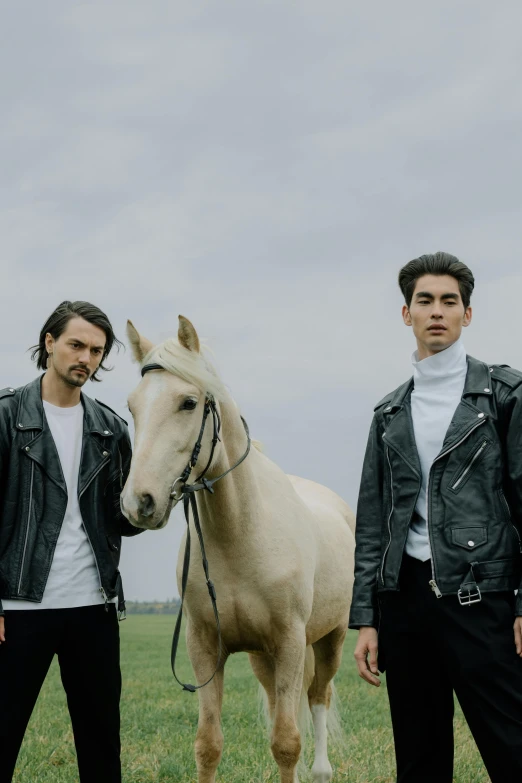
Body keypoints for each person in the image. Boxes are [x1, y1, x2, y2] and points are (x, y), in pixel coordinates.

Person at [349, 253, 522, 783]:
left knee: (513, 749)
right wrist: (368, 617)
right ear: (407, 314)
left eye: (450, 301)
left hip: (483, 599)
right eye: (425, 301)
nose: (437, 311)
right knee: (419, 762)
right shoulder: (389, 412)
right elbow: (373, 521)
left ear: (467, 314)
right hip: (406, 607)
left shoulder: (504, 395)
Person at [0, 300, 143, 783]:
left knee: (101, 744)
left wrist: (151, 503)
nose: (86, 357)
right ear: (50, 344)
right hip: (17, 608)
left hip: (93, 608)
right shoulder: (5, 417)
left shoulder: (110, 429)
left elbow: (120, 522)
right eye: (76, 344)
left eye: (97, 351)